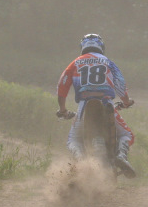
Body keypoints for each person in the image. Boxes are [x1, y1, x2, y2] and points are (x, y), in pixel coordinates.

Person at [56, 33, 136, 178]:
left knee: (73, 140)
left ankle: (80, 163)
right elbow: (120, 84)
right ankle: (121, 156)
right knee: (127, 134)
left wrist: (62, 109)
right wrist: (126, 101)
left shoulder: (75, 63)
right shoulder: (108, 62)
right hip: (106, 102)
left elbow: (62, 86)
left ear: (83, 46)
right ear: (101, 47)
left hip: (83, 105)